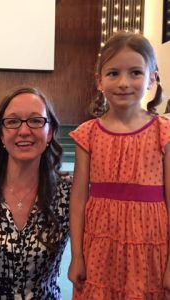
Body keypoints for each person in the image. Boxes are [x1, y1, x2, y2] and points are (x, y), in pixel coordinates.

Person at [68, 31, 170, 299]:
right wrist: (77, 255)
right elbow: (78, 199)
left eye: (135, 72)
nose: (124, 82)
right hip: (101, 246)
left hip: (150, 247)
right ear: (99, 80)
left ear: (152, 78)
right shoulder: (87, 134)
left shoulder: (164, 132)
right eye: (113, 73)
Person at [0, 87, 71, 299]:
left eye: (35, 121)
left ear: (49, 133)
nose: (24, 131)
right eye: (13, 122)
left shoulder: (70, 191)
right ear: (2, 135)